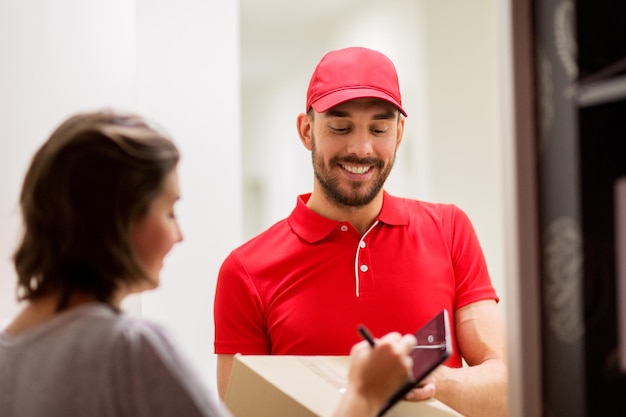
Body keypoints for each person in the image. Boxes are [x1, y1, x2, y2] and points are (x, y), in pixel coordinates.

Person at [0, 109, 419, 417]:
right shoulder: (130, 350)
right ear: (117, 218)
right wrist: (365, 395)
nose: (177, 235)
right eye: (169, 211)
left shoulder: (9, 355)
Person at [214, 46, 508, 417]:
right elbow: (239, 411)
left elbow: (507, 389)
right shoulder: (245, 271)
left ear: (399, 133)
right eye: (340, 127)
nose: (361, 148)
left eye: (379, 128)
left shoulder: (450, 230)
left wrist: (423, 382)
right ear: (307, 131)